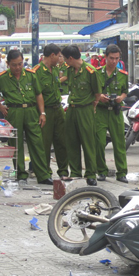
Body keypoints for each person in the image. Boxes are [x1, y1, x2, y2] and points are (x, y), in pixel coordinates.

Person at [0, 50, 53, 185]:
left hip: (31, 110)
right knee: (15, 144)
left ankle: (43, 175)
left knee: (37, 143)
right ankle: (21, 174)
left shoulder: (31, 75)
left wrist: (42, 113)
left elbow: (38, 94)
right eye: (14, 65)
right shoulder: (2, 78)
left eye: (20, 64)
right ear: (8, 64)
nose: (17, 68)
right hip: (13, 111)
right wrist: (0, 105)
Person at [62, 45, 102, 186]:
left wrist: (93, 105)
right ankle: (75, 172)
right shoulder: (70, 71)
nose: (65, 62)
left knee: (88, 142)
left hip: (85, 109)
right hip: (72, 109)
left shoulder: (91, 72)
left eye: (65, 59)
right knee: (71, 141)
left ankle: (91, 174)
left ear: (71, 58)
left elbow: (97, 93)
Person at [33, 44, 70, 181]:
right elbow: (37, 94)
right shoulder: (37, 71)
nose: (60, 59)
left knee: (62, 141)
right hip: (45, 110)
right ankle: (45, 173)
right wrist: (41, 113)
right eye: (59, 56)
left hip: (58, 108)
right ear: (52, 55)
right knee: (45, 144)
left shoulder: (55, 70)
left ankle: (63, 171)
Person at [95, 44, 129, 183]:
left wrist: (121, 98)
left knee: (119, 143)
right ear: (105, 57)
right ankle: (101, 171)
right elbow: (92, 91)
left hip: (115, 112)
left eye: (117, 58)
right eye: (111, 58)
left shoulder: (122, 75)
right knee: (99, 142)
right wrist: (99, 97)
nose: (114, 61)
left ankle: (121, 173)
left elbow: (125, 91)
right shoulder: (97, 73)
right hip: (101, 112)